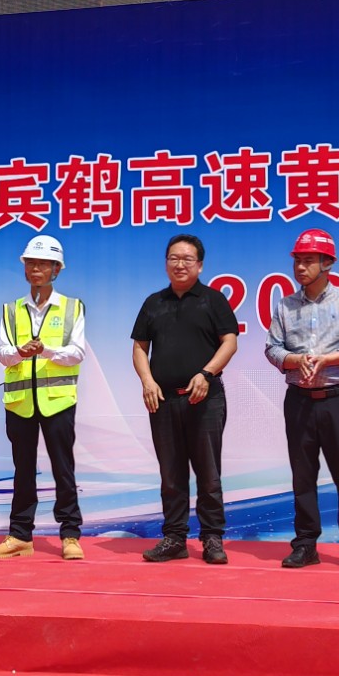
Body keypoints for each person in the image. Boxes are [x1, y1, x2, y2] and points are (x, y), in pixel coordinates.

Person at [263, 229, 339, 571]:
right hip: (299, 400)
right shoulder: (285, 305)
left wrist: (326, 360)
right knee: (303, 475)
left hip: (338, 399)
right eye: (297, 260)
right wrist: (296, 361)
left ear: (327, 264)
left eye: (308, 260)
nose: (300, 267)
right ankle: (306, 544)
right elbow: (272, 348)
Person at [131, 233, 238, 564]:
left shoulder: (213, 300)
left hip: (204, 399)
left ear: (200, 265)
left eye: (187, 259)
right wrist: (147, 381)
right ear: (166, 263)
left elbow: (230, 342)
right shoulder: (153, 302)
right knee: (171, 474)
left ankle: (212, 538)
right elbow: (139, 347)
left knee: (208, 473)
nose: (180, 264)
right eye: (173, 258)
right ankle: (174, 538)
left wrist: (206, 374)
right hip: (163, 401)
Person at [0, 235, 87, 561]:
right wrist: (20, 351)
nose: (36, 269)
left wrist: (47, 350)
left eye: (44, 264)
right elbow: (2, 354)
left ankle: (70, 535)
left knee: (63, 469)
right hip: (20, 403)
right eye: (31, 263)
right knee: (23, 470)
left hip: (58, 401)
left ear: (57, 269)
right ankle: (20, 536)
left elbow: (77, 353)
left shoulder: (72, 307)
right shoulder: (11, 310)